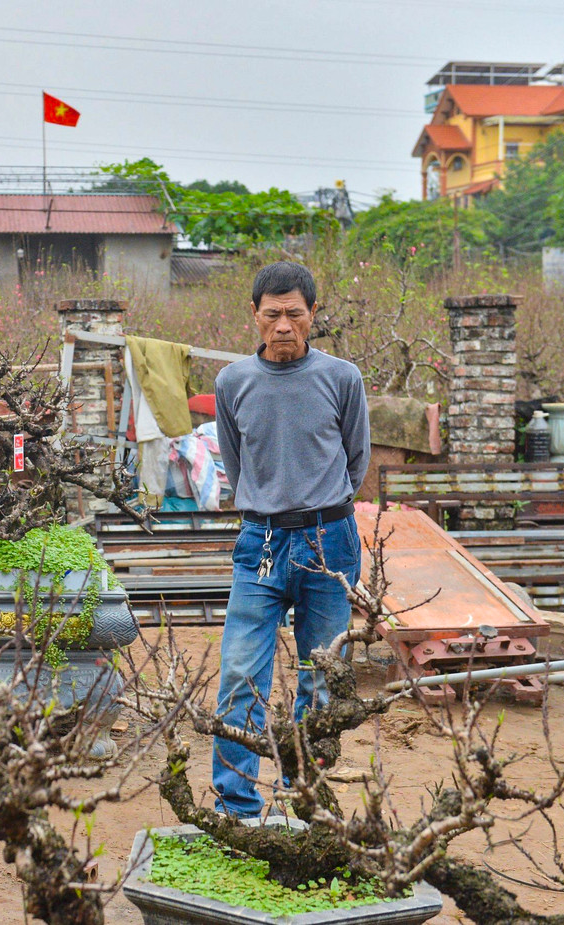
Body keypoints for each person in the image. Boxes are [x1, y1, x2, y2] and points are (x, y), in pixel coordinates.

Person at [211, 261, 370, 818]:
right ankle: (236, 805)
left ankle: (302, 800)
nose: (284, 325)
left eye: (295, 314)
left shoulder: (342, 378)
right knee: (239, 672)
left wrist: (321, 508)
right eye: (273, 314)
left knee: (320, 677)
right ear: (254, 315)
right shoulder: (232, 382)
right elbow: (236, 463)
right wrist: (269, 507)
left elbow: (355, 460)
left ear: (313, 314)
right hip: (261, 541)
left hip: (331, 542)